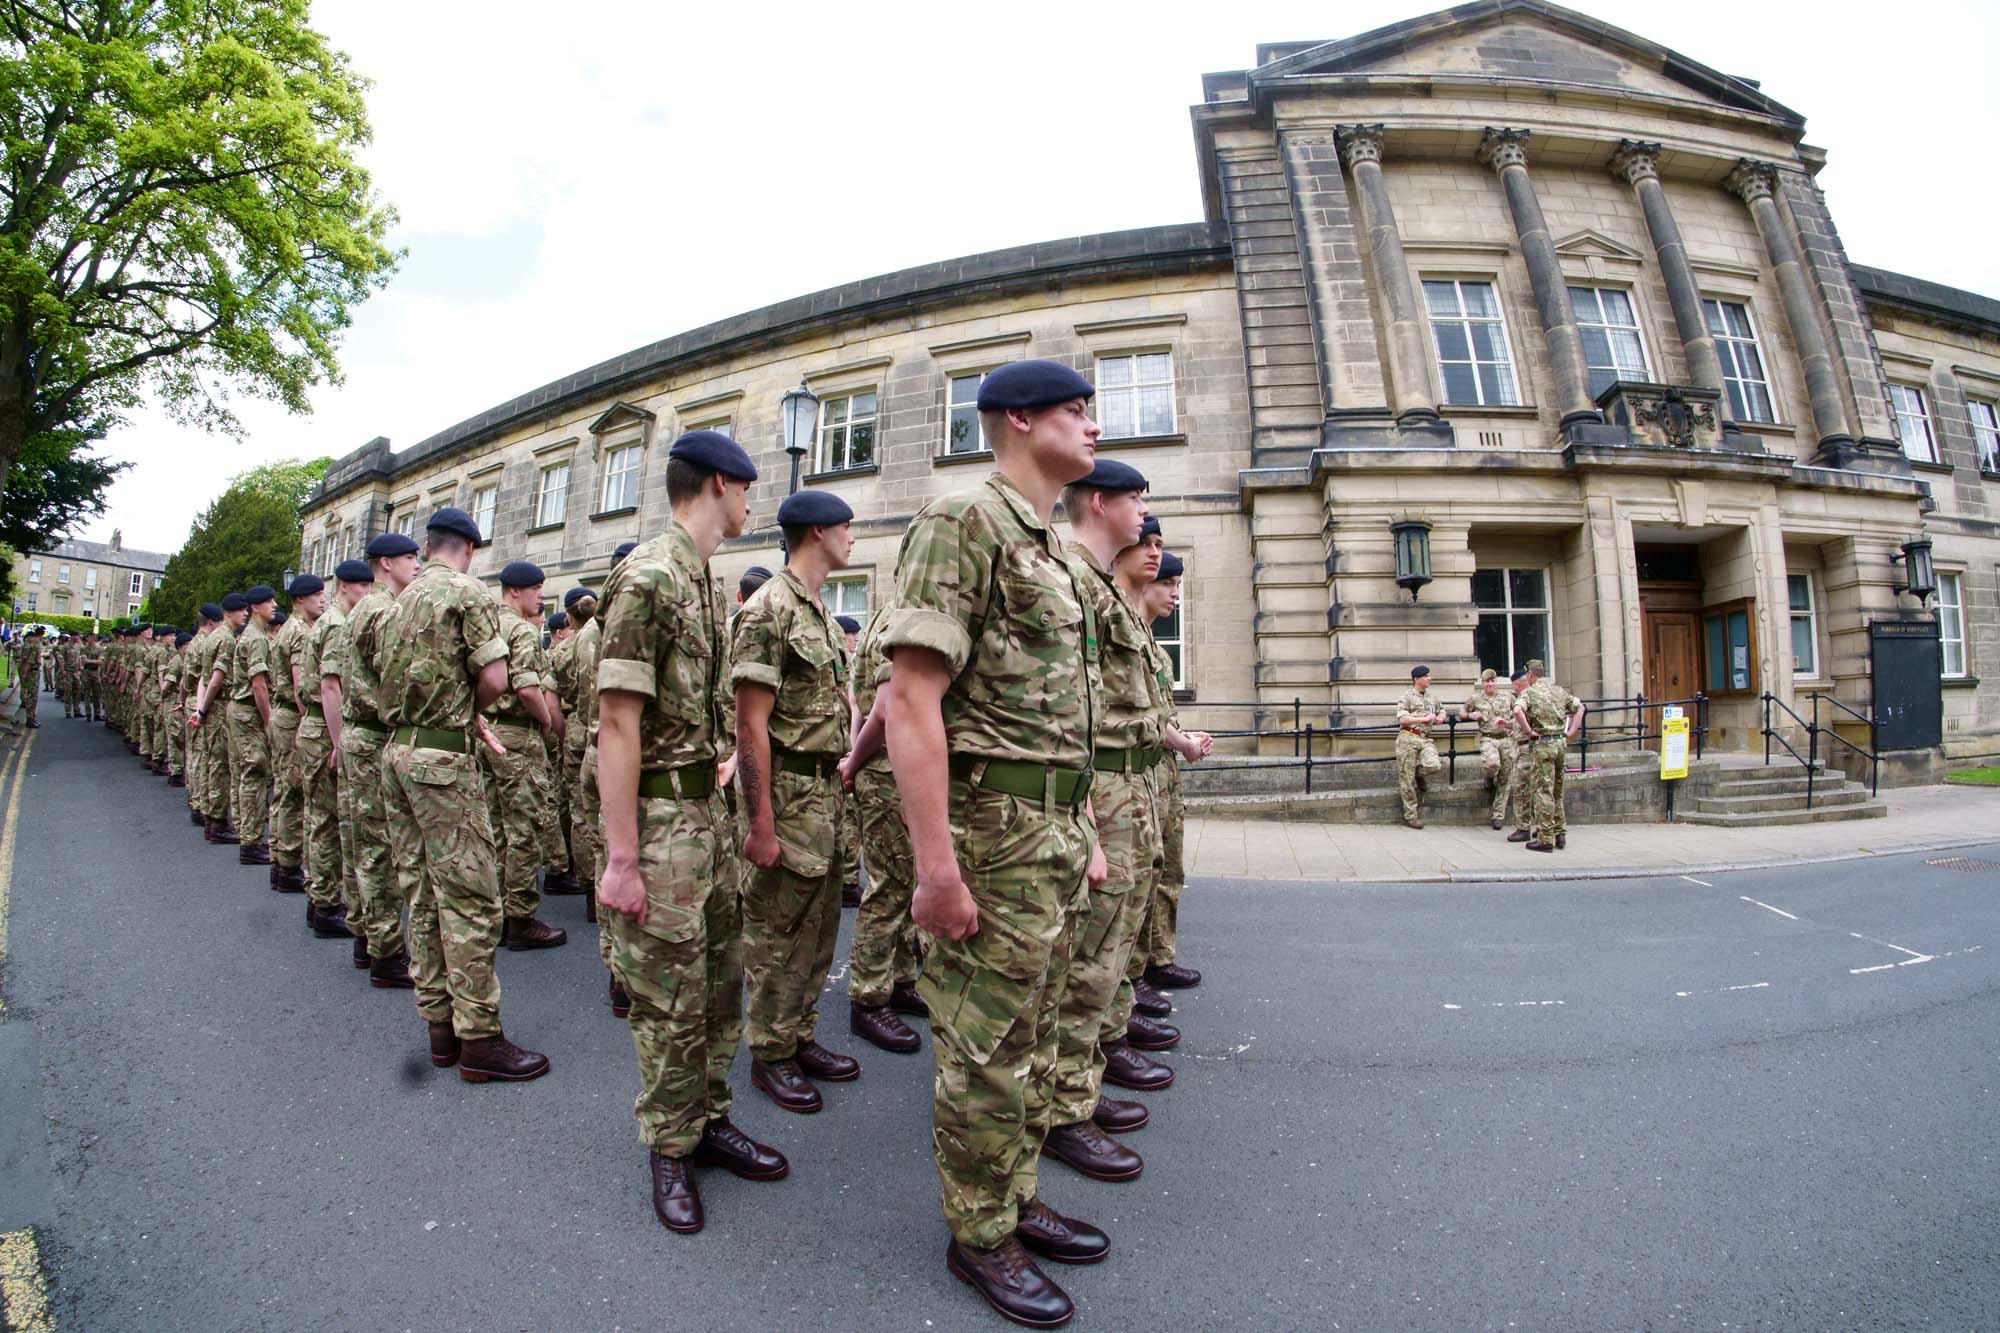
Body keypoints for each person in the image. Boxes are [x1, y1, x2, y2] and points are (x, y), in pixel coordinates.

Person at [880, 359, 1111, 1328]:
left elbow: (1067, 713)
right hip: (992, 837)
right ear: (1017, 419)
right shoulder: (961, 522)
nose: (1092, 428)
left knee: (1030, 1030)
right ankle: (978, 1233)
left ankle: (1011, 1193)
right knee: (983, 1048)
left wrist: (1085, 826)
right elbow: (910, 699)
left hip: (1051, 830)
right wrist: (934, 867)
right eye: (1075, 410)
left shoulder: (1052, 546)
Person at [595, 429, 785, 1235]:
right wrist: (621, 858)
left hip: (704, 818)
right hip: (663, 822)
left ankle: (707, 1118)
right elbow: (614, 719)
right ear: (717, 483)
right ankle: (668, 1145)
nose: (753, 501)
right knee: (669, 997)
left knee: (717, 983)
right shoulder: (647, 576)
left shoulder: (704, 582)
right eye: (748, 486)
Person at [374, 508, 543, 1080]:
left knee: (421, 893)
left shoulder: (396, 601)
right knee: (469, 897)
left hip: (397, 752)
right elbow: (496, 678)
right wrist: (467, 712)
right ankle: (481, 1039)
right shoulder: (465, 593)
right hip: (444, 757)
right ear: (469, 548)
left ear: (428, 547)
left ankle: (441, 1029)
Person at [1042, 457, 1172, 1185]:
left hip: (1128, 786)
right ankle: (1065, 1110)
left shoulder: (1102, 590)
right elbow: (1074, 715)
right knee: (1087, 959)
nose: (1147, 521)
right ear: (1101, 504)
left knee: (1110, 947)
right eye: (1137, 502)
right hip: (1102, 790)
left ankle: (1078, 1086)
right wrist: (1087, 818)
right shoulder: (1076, 580)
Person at [732, 489, 862, 1114]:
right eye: (847, 526)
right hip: (785, 793)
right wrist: (760, 824)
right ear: (815, 532)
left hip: (823, 795)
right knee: (777, 929)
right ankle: (770, 1052)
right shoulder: (769, 610)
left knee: (819, 926)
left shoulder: (815, 608)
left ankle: (799, 1033)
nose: (853, 537)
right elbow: (750, 726)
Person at [839, 597, 929, 1055]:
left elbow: (861, 702)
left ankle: (899, 979)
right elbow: (883, 708)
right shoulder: (906, 620)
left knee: (905, 882)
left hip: (896, 769)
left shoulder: (894, 615)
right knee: (890, 885)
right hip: (888, 771)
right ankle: (868, 998)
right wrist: (855, 761)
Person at [327, 550, 417, 983]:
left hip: (361, 734)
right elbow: (393, 679)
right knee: (380, 847)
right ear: (385, 563)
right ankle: (385, 951)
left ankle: (367, 937)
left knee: (362, 840)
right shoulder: (383, 611)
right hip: (375, 735)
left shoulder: (364, 608)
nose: (417, 564)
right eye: (409, 557)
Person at [484, 560, 567, 951]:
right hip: (517, 736)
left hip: (487, 733)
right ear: (515, 591)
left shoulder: (487, 622)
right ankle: (520, 917)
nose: (540, 595)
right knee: (524, 829)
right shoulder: (519, 630)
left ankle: (499, 909)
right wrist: (547, 722)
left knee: (496, 827)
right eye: (535, 589)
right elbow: (528, 689)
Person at [1136, 550, 1204, 994]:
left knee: (1168, 873)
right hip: (1139, 773)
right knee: (1140, 879)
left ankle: (1158, 957)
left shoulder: (1155, 649)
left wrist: (1186, 734)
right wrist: (1178, 740)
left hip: (1164, 775)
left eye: (1179, 586)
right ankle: (1133, 972)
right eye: (1169, 585)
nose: (1175, 594)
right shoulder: (1127, 636)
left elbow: (1163, 712)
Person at [225, 586, 280, 865]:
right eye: (268, 602)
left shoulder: (253, 635)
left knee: (249, 772)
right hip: (248, 712)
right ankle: (250, 841)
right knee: (255, 771)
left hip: (243, 711)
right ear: (255, 607)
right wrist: (269, 721)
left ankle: (249, 836)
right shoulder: (256, 638)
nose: (274, 605)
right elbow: (259, 685)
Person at [190, 594, 249, 845]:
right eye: (240, 611)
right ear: (228, 614)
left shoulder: (213, 637)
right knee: (220, 767)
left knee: (210, 762)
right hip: (220, 705)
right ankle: (217, 823)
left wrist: (200, 708)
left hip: (210, 706)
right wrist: (203, 711)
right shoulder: (226, 639)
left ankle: (211, 818)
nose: (245, 614)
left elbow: (203, 679)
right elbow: (215, 678)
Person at [268, 590, 313, 893]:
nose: (322, 599)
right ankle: (289, 865)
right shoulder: (298, 630)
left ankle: (280, 860)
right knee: (294, 792)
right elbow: (300, 686)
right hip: (292, 716)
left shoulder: (288, 629)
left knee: (285, 788)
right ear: (299, 599)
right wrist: (307, 720)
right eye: (316, 595)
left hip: (282, 714)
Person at [1514, 658, 1584, 852]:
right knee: (1557, 790)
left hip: (1542, 745)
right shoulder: (1559, 691)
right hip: (1560, 743)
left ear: (1529, 675)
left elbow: (1517, 710)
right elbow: (1580, 708)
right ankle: (1560, 833)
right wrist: (1570, 733)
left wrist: (1528, 731)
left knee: (1543, 791)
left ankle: (1545, 838)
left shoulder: (1530, 692)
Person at [1460, 669, 1518, 830]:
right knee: (1492, 764)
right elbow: (1462, 712)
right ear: (1483, 683)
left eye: (1492, 681)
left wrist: (1508, 722)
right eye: (1487, 682)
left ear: (1496, 683)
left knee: (1506, 777)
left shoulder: (1508, 697)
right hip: (1488, 738)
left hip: (1506, 739)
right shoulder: (1476, 699)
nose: (1490, 684)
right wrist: (1470, 716)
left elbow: (1519, 713)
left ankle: (1498, 815)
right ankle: (1489, 777)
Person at [1395, 665, 1446, 829]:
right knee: (1406, 780)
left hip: (1425, 739)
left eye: (1429, 676)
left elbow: (1442, 711)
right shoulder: (1407, 696)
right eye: (1426, 676)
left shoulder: (1432, 698)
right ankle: (1411, 816)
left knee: (1434, 765)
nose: (1429, 679)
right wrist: (1424, 719)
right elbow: (1402, 719)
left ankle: (1419, 773)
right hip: (1408, 738)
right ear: (1417, 679)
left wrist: (1440, 718)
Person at [1503, 667, 1533, 843]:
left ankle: (1523, 828)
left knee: (1521, 789)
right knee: (1540, 789)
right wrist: (1508, 724)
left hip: (1526, 749)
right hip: (1539, 748)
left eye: (1513, 685)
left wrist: (1529, 732)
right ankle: (1548, 829)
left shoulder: (1525, 697)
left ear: (1517, 683)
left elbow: (1518, 713)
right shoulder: (1540, 695)